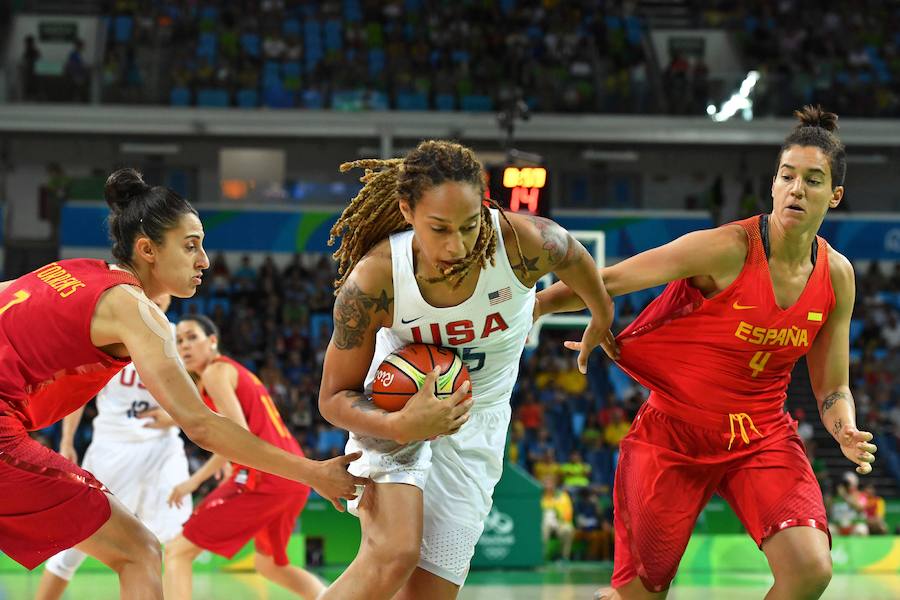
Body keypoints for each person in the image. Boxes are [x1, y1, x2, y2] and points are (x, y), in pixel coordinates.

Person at [537, 106, 877, 599]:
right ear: (774, 184)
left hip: (761, 436)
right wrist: (536, 307)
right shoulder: (727, 248)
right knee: (640, 594)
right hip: (672, 435)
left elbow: (833, 386)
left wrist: (842, 424)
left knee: (810, 569)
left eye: (813, 180)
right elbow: (609, 279)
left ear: (835, 195)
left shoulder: (837, 276)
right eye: (787, 176)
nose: (797, 189)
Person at [0, 168, 366, 599]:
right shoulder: (136, 310)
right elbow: (202, 426)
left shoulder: (72, 271)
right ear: (147, 249)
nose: (205, 260)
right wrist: (313, 472)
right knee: (139, 549)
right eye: (191, 246)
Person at [317, 140, 616, 599]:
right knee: (393, 553)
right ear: (407, 211)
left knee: (431, 593)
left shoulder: (525, 243)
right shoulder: (375, 280)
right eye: (439, 229)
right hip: (392, 407)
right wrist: (399, 423)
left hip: (480, 420)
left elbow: (575, 258)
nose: (456, 245)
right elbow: (333, 398)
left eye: (470, 226)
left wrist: (601, 314)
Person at [35, 294, 193, 600]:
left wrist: (175, 416)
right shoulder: (109, 331)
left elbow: (200, 394)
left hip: (162, 450)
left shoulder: (178, 337)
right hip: (112, 450)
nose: (158, 298)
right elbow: (76, 391)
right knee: (74, 546)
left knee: (175, 544)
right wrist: (67, 441)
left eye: (163, 296)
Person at [163, 315, 324, 600]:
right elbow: (237, 434)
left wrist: (194, 481)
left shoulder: (215, 373)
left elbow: (239, 437)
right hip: (292, 478)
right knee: (270, 565)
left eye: (192, 337)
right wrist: (227, 461)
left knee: (178, 551)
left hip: (266, 478)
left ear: (213, 341)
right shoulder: (229, 372)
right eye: (179, 341)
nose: (184, 346)